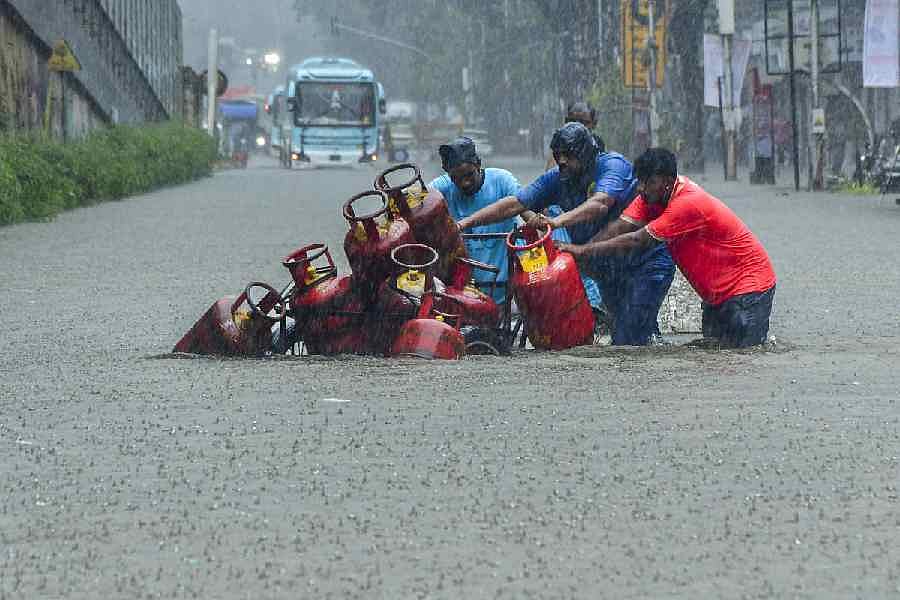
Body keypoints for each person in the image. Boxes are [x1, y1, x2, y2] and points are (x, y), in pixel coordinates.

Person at [457, 122, 675, 346]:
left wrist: (557, 221)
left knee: (628, 338)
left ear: (586, 153)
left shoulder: (612, 166)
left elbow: (600, 203)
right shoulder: (557, 179)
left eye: (568, 155)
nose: (561, 161)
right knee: (627, 333)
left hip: (645, 263)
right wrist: (464, 224)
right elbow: (515, 203)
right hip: (607, 269)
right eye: (557, 155)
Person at [558, 147, 777, 348]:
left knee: (743, 356)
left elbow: (637, 239)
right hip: (718, 296)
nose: (641, 188)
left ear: (668, 181)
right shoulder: (650, 199)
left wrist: (581, 251)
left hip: (749, 290)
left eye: (649, 182)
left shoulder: (686, 203)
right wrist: (580, 252)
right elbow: (620, 227)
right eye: (640, 181)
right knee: (715, 356)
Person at [429, 137, 520, 304]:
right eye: (456, 178)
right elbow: (419, 200)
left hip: (507, 289)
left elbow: (525, 207)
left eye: (469, 174)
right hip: (461, 294)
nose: (464, 183)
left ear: (478, 164)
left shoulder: (502, 181)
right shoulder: (442, 187)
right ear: (448, 174)